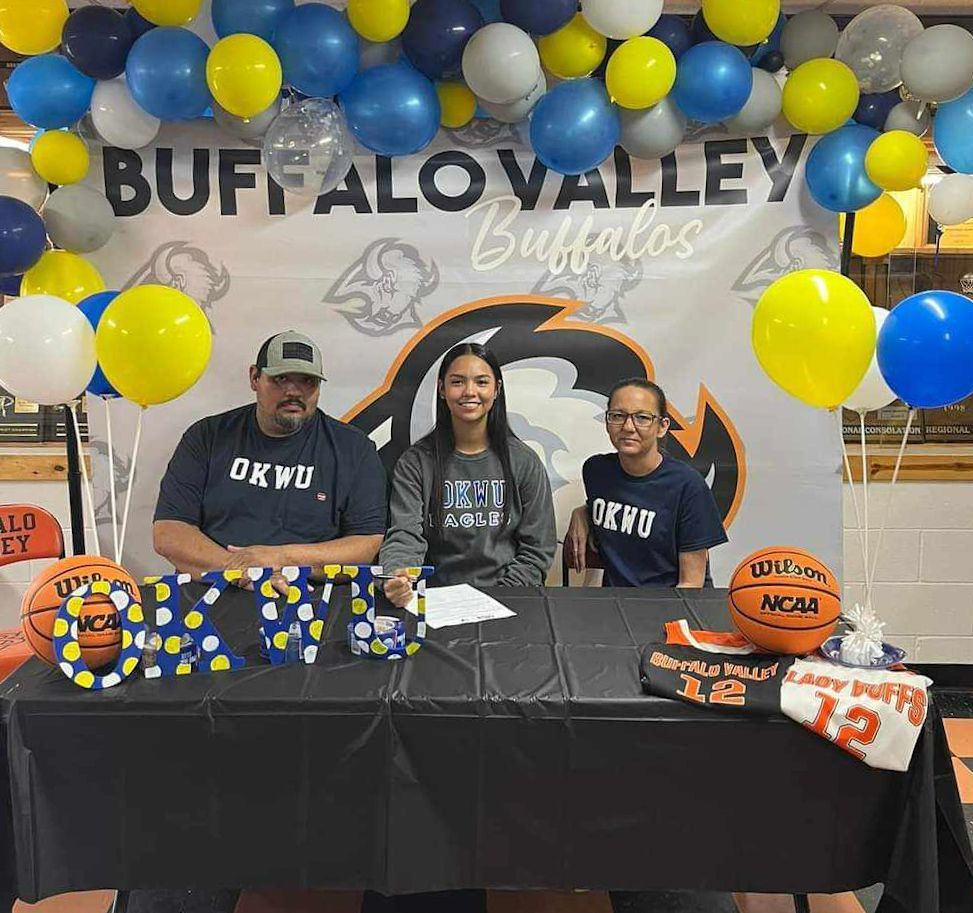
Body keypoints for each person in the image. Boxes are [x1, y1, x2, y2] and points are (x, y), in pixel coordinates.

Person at [153, 330, 388, 590]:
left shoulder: (354, 449)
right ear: (255, 377)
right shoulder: (207, 437)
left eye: (308, 381)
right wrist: (240, 570)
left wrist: (279, 558)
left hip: (312, 599)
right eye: (281, 378)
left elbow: (366, 546)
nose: (294, 391)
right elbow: (169, 533)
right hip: (216, 592)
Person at [380, 342, 555, 606]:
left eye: (481, 382)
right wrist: (398, 576)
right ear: (442, 389)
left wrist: (500, 596)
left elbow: (537, 550)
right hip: (434, 600)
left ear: (496, 389)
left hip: (506, 600)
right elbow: (404, 535)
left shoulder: (524, 461)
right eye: (458, 382)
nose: (470, 392)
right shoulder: (415, 463)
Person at [565, 378, 727, 587]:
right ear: (607, 422)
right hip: (615, 604)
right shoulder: (596, 470)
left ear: (662, 426)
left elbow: (691, 584)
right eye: (617, 416)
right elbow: (612, 506)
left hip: (671, 604)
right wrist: (582, 513)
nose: (628, 426)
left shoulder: (687, 486)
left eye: (642, 417)